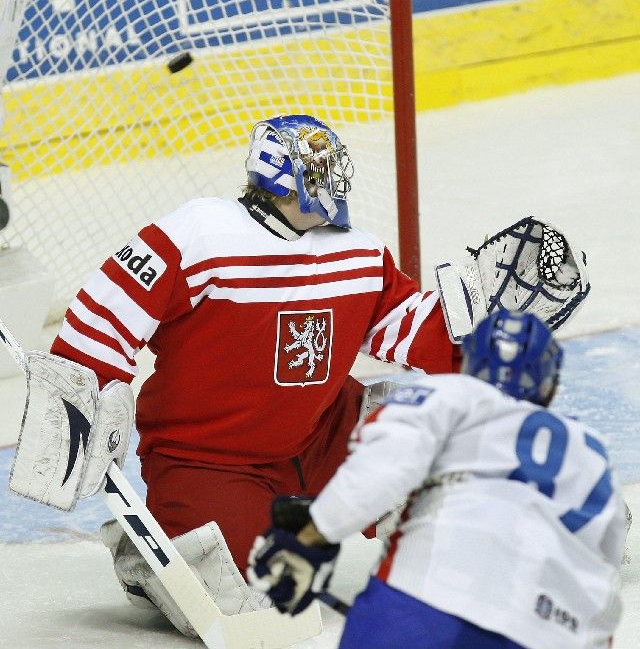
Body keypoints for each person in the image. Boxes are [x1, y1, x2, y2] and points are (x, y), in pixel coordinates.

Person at [43, 114, 588, 635]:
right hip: (210, 459)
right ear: (284, 177)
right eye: (323, 171)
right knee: (259, 604)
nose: (336, 182)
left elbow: (406, 329)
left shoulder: (358, 252)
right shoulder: (198, 234)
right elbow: (105, 310)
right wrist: (86, 395)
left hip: (322, 437)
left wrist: (477, 319)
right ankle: (150, 557)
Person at [248, 310, 626, 649]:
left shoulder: (445, 392)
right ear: (551, 384)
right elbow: (602, 567)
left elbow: (379, 471)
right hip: (554, 633)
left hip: (425, 604)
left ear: (470, 363)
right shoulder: (589, 451)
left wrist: (311, 538)